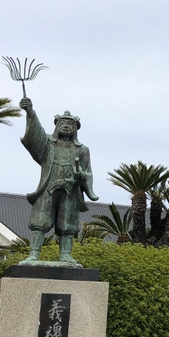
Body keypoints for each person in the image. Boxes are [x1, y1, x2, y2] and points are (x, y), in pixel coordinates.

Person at [18, 97, 98, 265]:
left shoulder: (82, 150)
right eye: (62, 123)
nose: (66, 126)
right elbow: (35, 134)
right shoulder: (48, 144)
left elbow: (88, 173)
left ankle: (66, 255)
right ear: (56, 126)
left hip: (70, 189)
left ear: (76, 128)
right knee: (40, 221)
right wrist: (30, 112)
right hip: (48, 187)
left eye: (70, 124)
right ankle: (34, 254)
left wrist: (81, 175)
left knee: (68, 224)